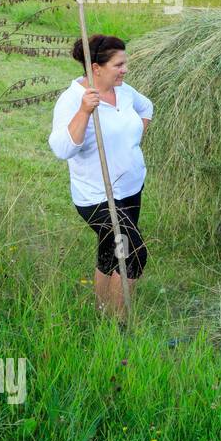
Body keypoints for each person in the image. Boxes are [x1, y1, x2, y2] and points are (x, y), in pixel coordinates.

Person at [48, 34, 152, 316]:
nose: (125, 70)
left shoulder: (126, 92)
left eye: (125, 63)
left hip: (130, 188)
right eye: (119, 65)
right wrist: (84, 111)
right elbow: (61, 149)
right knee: (134, 253)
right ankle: (119, 325)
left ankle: (102, 312)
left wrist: (131, 142)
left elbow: (147, 108)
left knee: (110, 252)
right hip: (96, 195)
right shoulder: (72, 100)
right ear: (96, 68)